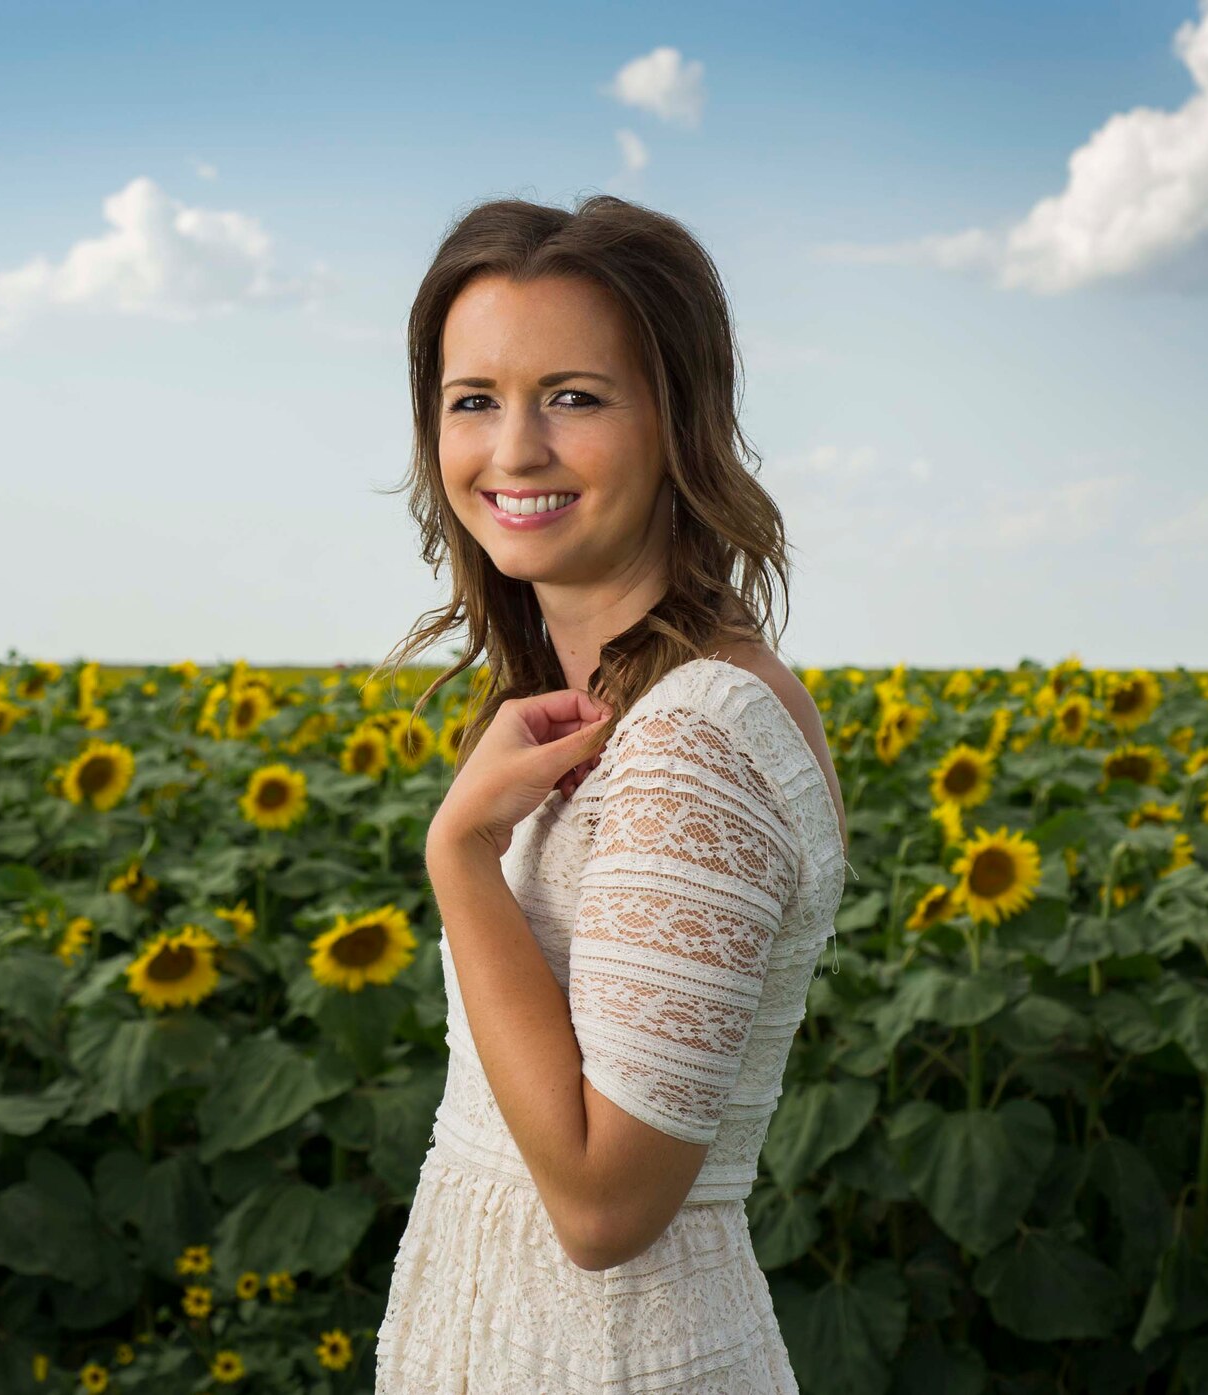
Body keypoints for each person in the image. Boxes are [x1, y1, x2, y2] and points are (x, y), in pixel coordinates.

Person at [369, 194, 850, 1394]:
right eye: (472, 400)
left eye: (572, 397)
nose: (513, 449)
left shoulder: (694, 736)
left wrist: (458, 861)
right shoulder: (587, 701)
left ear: (677, 422)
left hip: (611, 1360)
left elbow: (601, 1205)